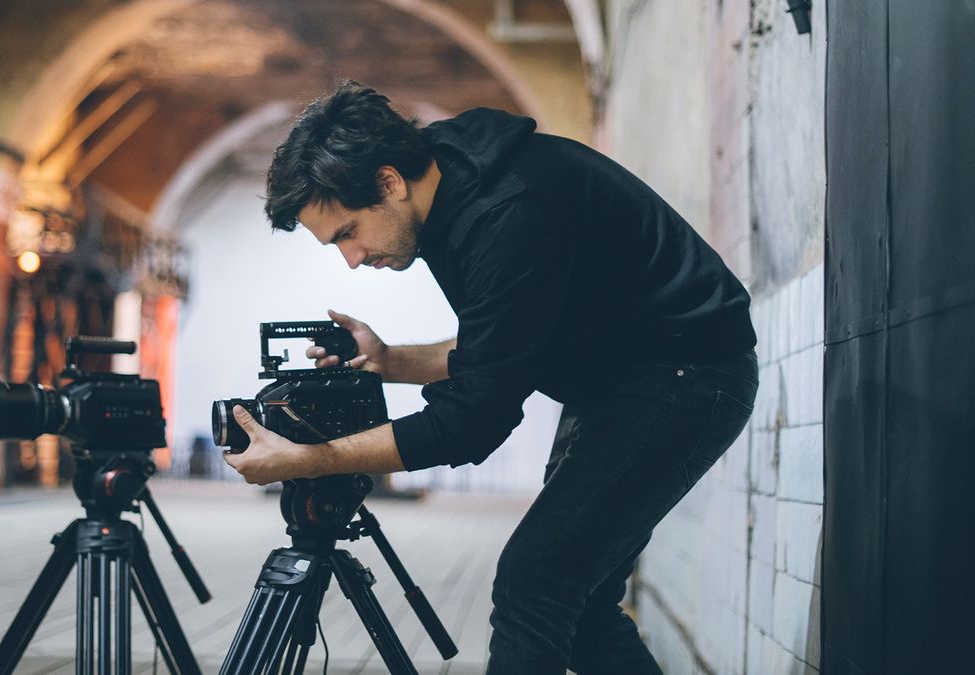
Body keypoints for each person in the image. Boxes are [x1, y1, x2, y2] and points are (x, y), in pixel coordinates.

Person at [223, 82, 758, 674]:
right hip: (619, 378)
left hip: (688, 372)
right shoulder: (450, 187)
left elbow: (471, 423)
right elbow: (502, 342)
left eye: (347, 233)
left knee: (535, 582)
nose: (351, 259)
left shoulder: (510, 209)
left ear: (388, 183)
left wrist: (313, 458)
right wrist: (390, 359)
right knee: (576, 611)